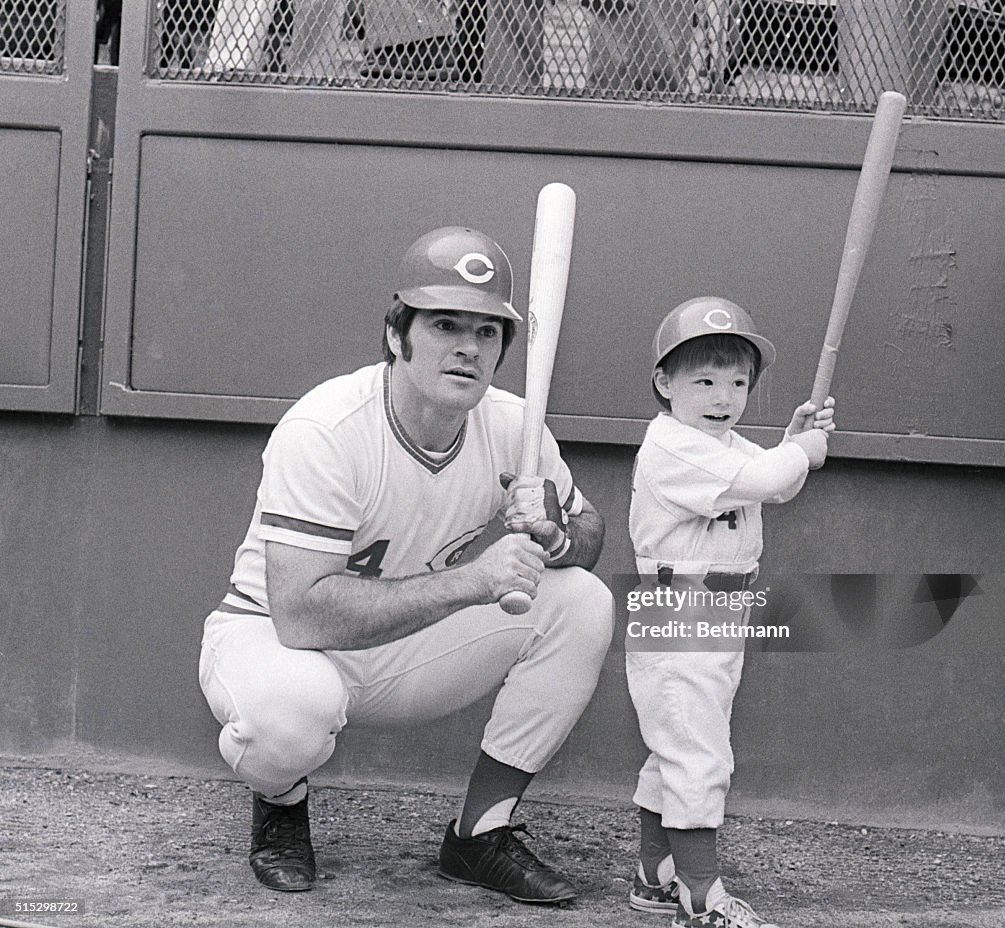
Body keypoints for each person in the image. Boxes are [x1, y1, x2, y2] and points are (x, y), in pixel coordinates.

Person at [198, 225, 615, 902]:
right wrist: (476, 579)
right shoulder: (326, 429)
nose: (467, 347)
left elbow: (590, 533)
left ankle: (480, 833)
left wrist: (555, 533)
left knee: (583, 600)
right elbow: (301, 614)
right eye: (446, 323)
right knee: (288, 714)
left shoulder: (513, 426)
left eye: (486, 332)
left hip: (404, 643)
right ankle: (281, 800)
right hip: (274, 639)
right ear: (398, 334)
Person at [625, 296, 836, 927]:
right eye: (705, 380)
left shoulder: (720, 442)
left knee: (678, 742)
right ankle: (701, 896)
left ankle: (655, 875)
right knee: (697, 748)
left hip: (718, 607)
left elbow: (775, 479)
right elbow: (772, 480)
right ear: (664, 383)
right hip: (681, 609)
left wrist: (794, 441)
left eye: (739, 381)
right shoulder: (673, 445)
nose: (724, 396)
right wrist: (803, 452)